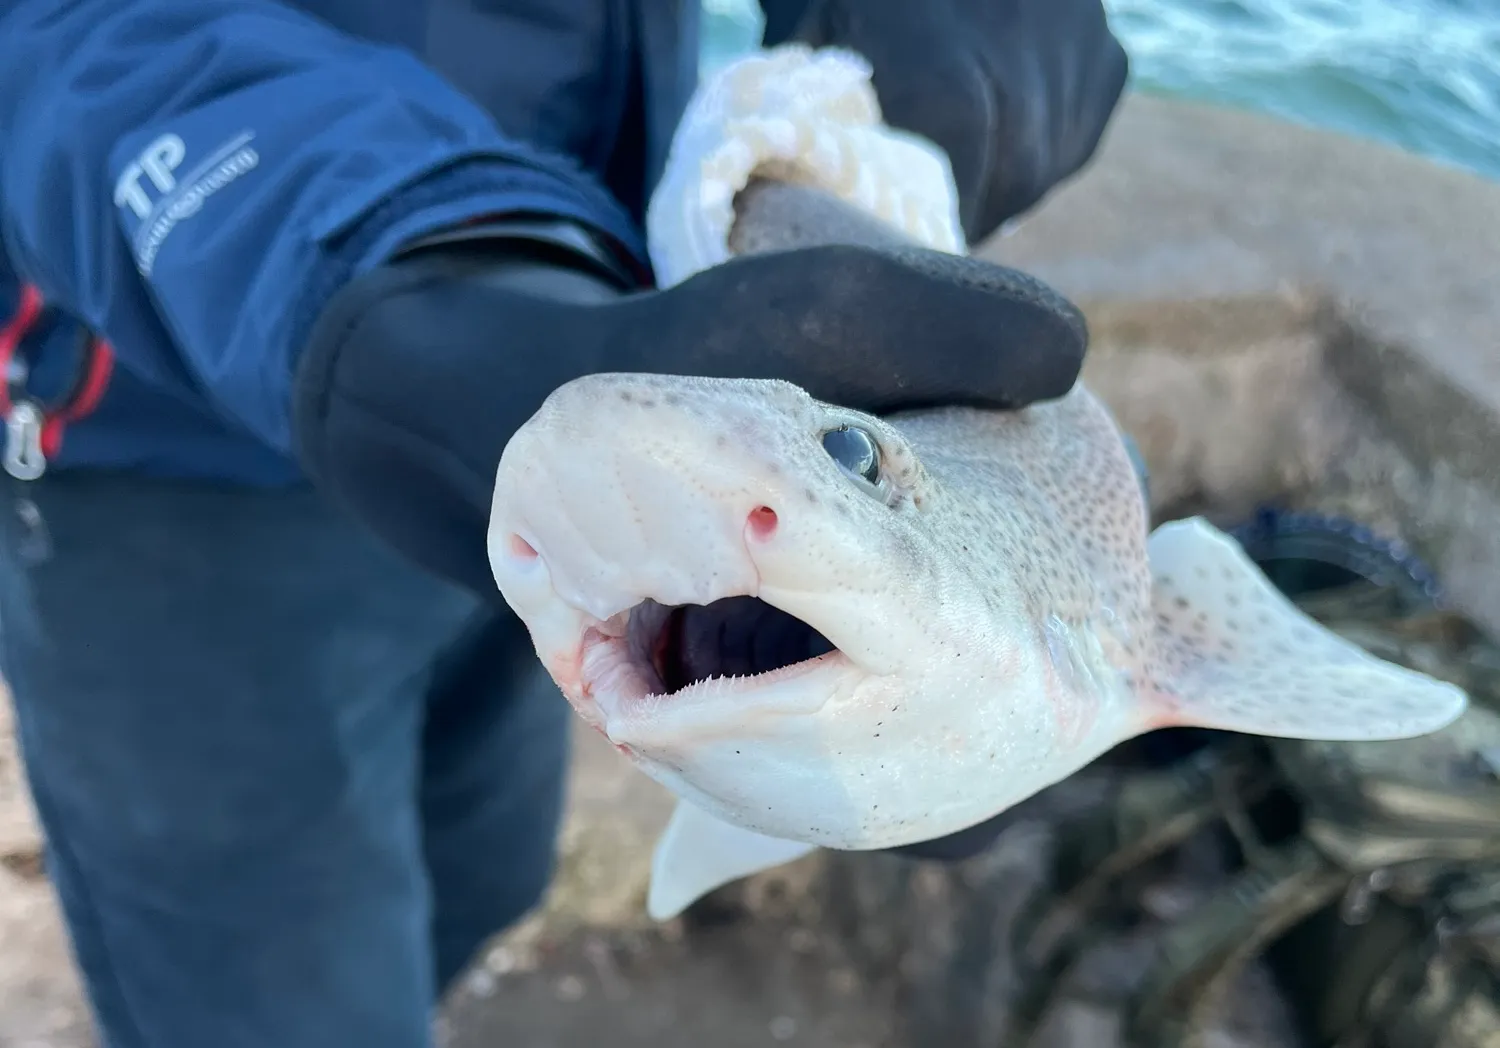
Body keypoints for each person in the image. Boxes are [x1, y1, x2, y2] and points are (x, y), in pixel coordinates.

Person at [0, 1, 1127, 1045]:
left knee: (483, 874)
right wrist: (413, 256)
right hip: (177, 466)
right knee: (276, 1004)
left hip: (589, 404)